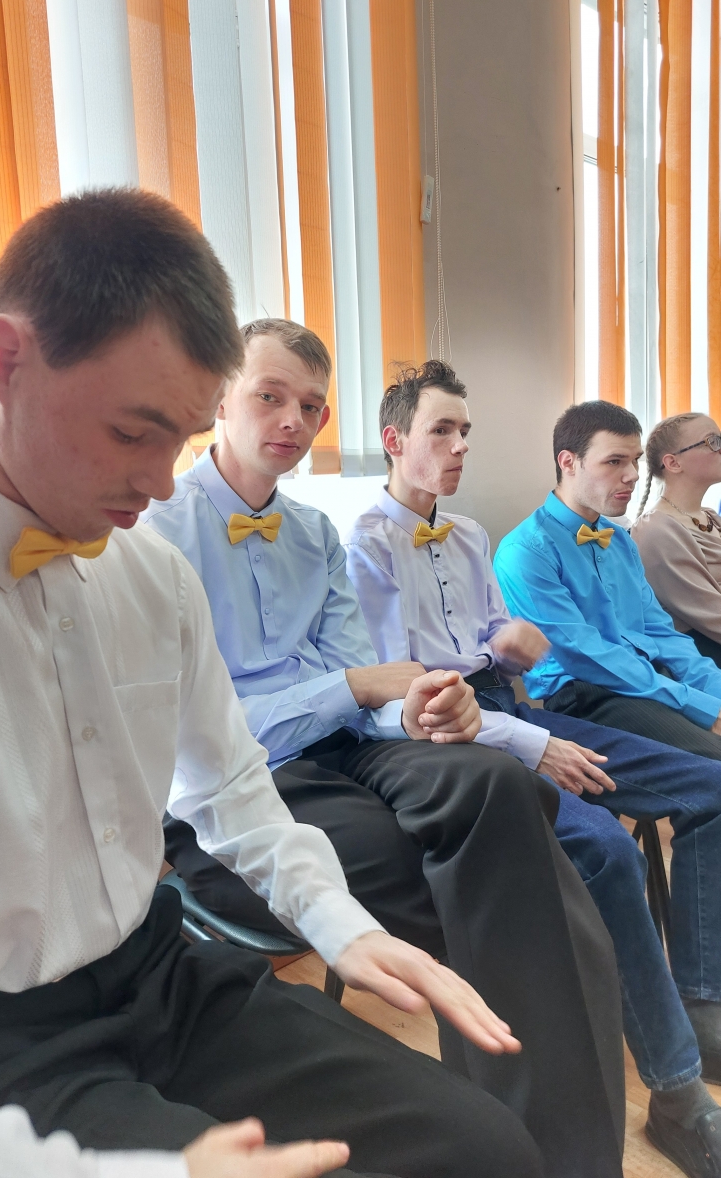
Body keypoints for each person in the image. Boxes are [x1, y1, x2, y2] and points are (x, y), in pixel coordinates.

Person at [0, 191, 553, 1178]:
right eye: (133, 434)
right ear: (3, 361)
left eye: (177, 439)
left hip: (159, 974)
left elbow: (229, 786)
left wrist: (337, 923)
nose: (164, 483)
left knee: (482, 1150)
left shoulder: (151, 574)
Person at [142, 318, 627, 1178]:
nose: (293, 420)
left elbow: (361, 688)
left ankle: (535, 1149)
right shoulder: (155, 532)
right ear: (218, 396)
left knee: (498, 786)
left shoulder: (313, 532)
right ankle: (558, 1156)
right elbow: (199, 734)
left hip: (343, 742)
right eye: (269, 396)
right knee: (526, 895)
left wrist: (422, 709)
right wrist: (359, 688)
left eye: (311, 407)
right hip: (243, 775)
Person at [345, 363, 721, 1176]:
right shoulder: (364, 544)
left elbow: (494, 642)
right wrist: (521, 726)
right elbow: (398, 688)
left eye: (465, 433)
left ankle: (702, 996)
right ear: (394, 441)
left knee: (713, 787)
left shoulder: (470, 535)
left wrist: (509, 645)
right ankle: (678, 1091)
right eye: (442, 431)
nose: (459, 447)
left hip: (507, 706)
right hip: (441, 727)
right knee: (610, 850)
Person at [632, 413, 721, 667]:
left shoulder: (710, 517)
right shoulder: (656, 531)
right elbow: (712, 615)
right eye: (712, 441)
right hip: (704, 659)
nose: (720, 448)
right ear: (673, 463)